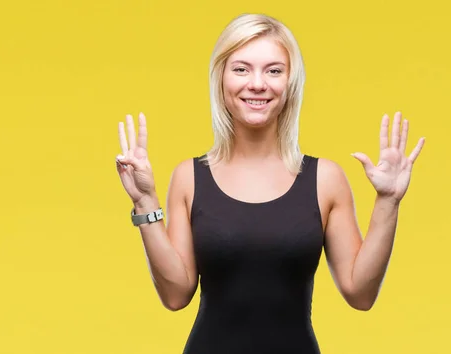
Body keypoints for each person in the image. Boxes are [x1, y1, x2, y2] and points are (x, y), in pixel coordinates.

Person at [115, 13, 425, 354]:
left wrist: (389, 201)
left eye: (274, 70)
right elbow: (175, 296)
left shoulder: (326, 180)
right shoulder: (189, 177)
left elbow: (360, 294)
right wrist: (144, 201)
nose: (258, 84)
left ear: (290, 82)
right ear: (221, 78)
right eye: (241, 69)